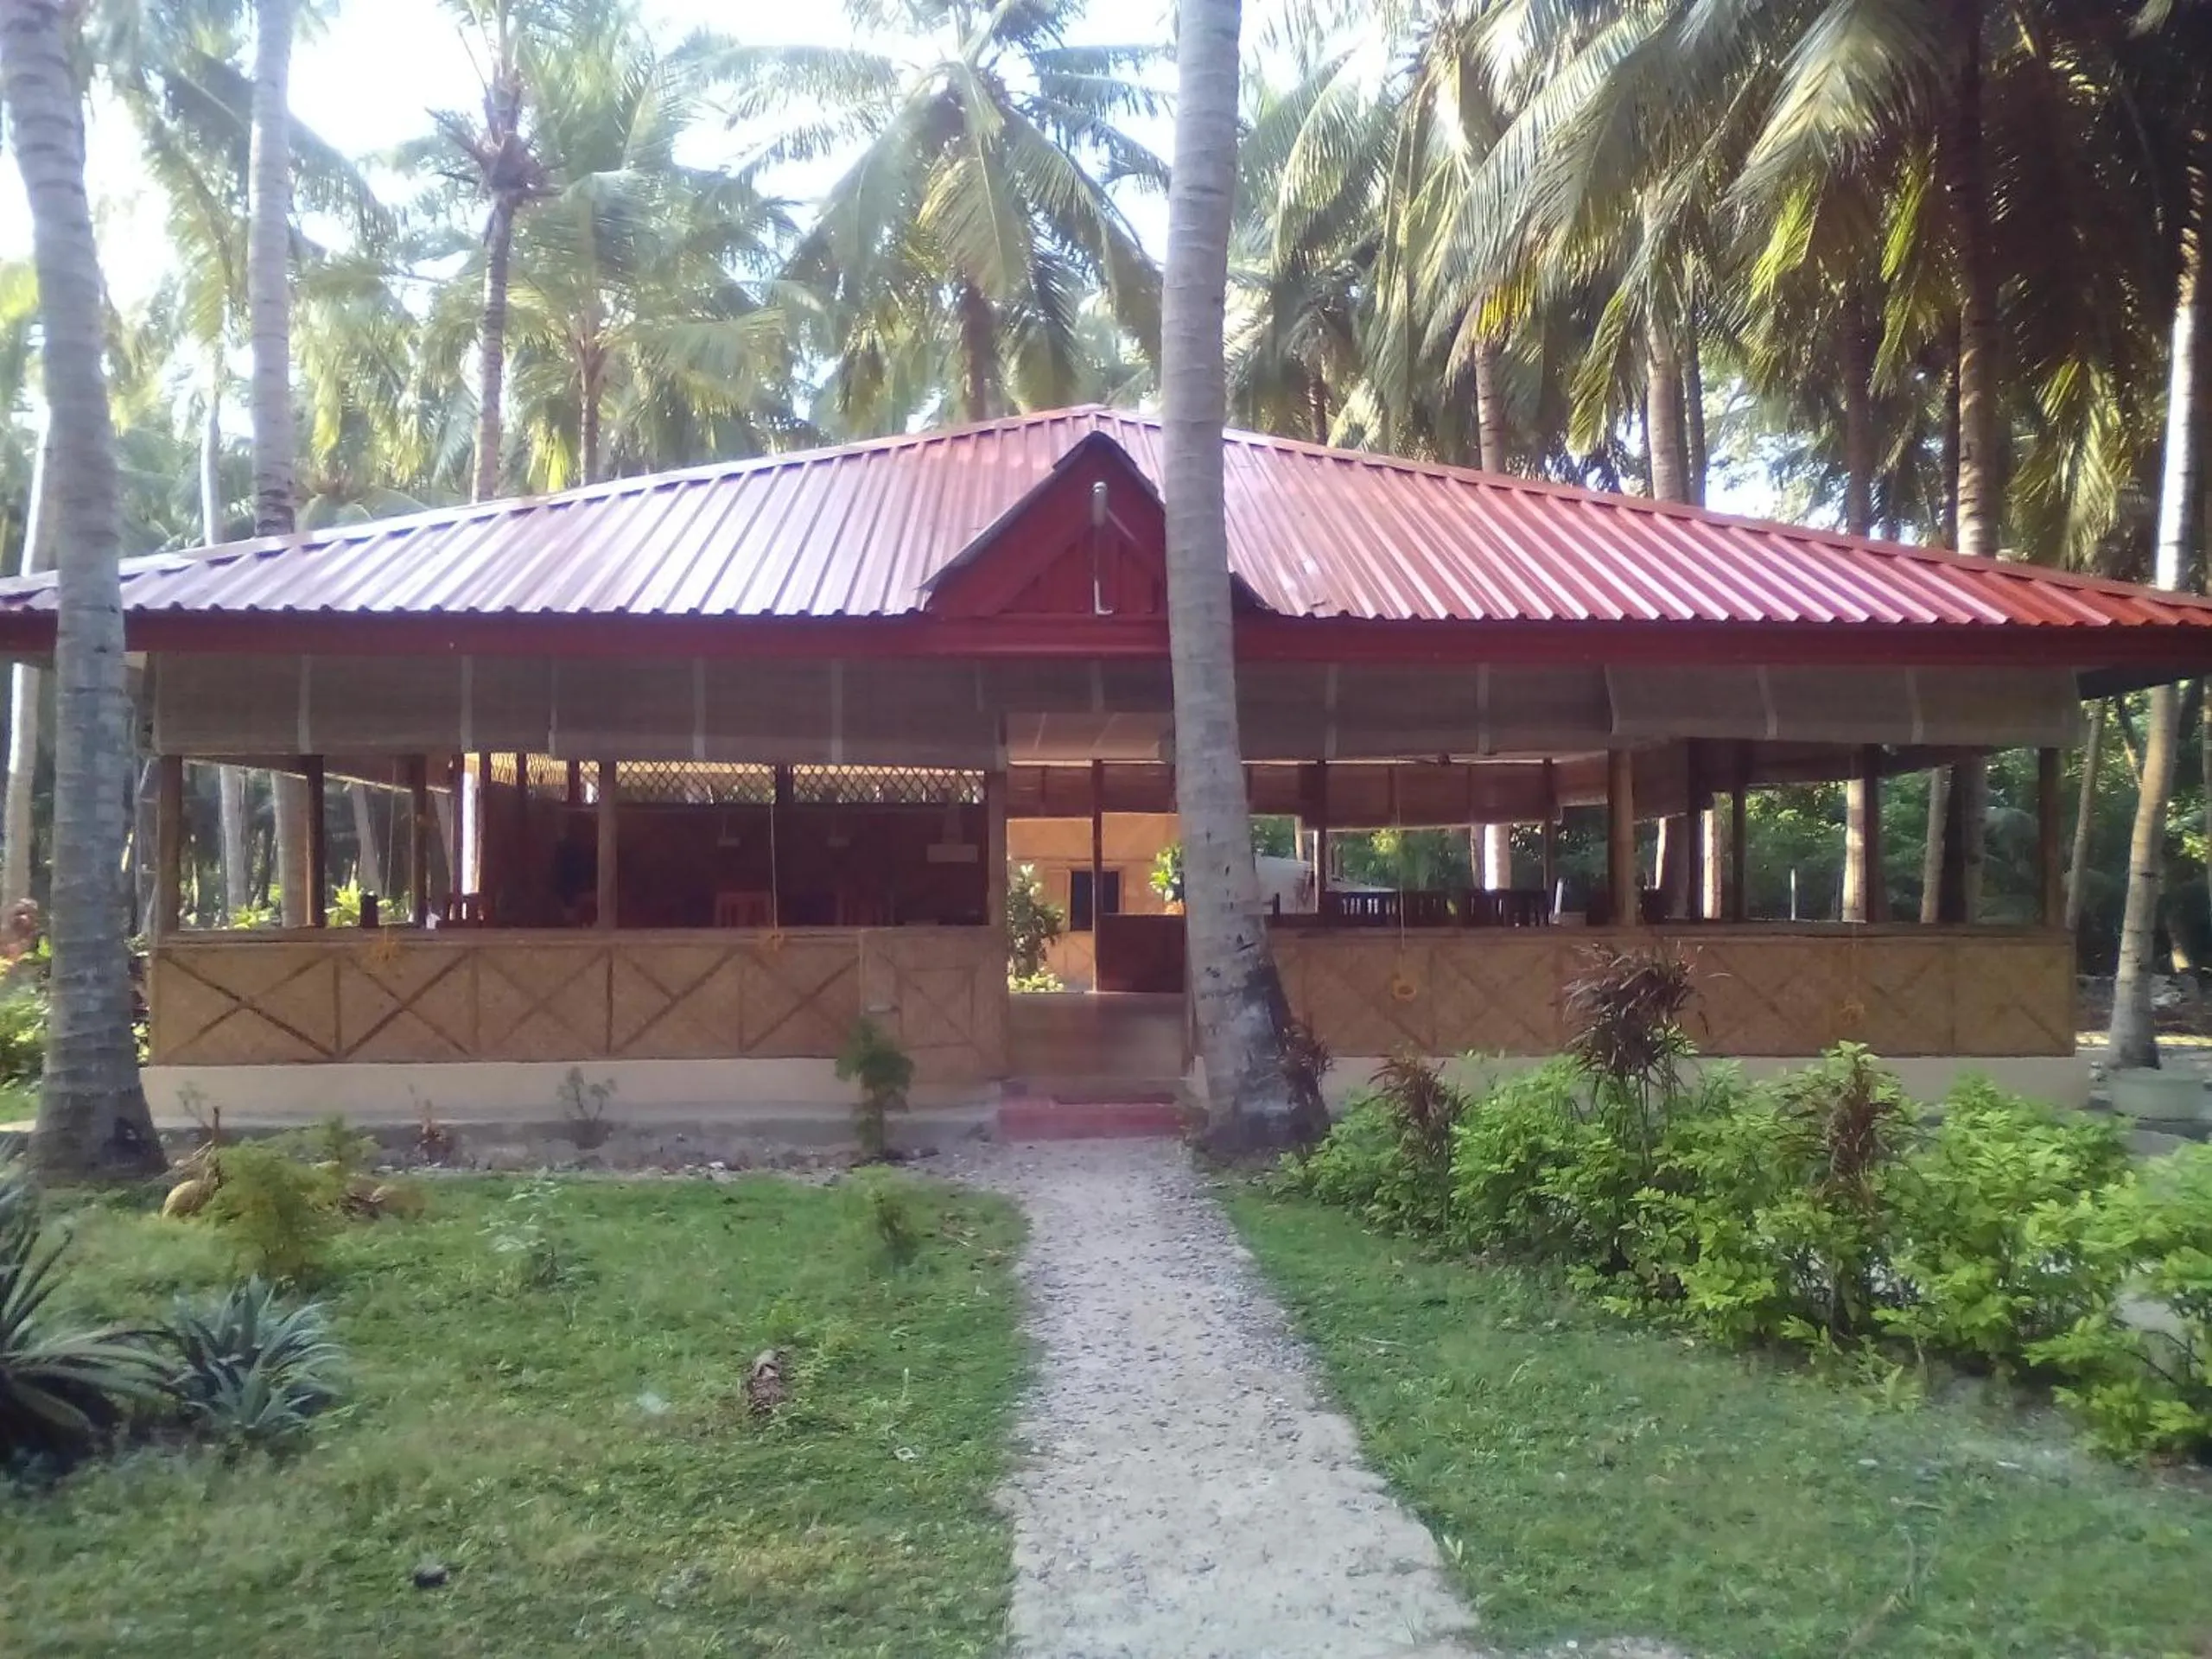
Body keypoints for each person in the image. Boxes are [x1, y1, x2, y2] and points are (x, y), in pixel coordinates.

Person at [551, 816, 598, 925]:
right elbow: (556, 889)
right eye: (582, 832)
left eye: (590, 832)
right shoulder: (564, 856)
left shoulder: (601, 855)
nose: (589, 837)